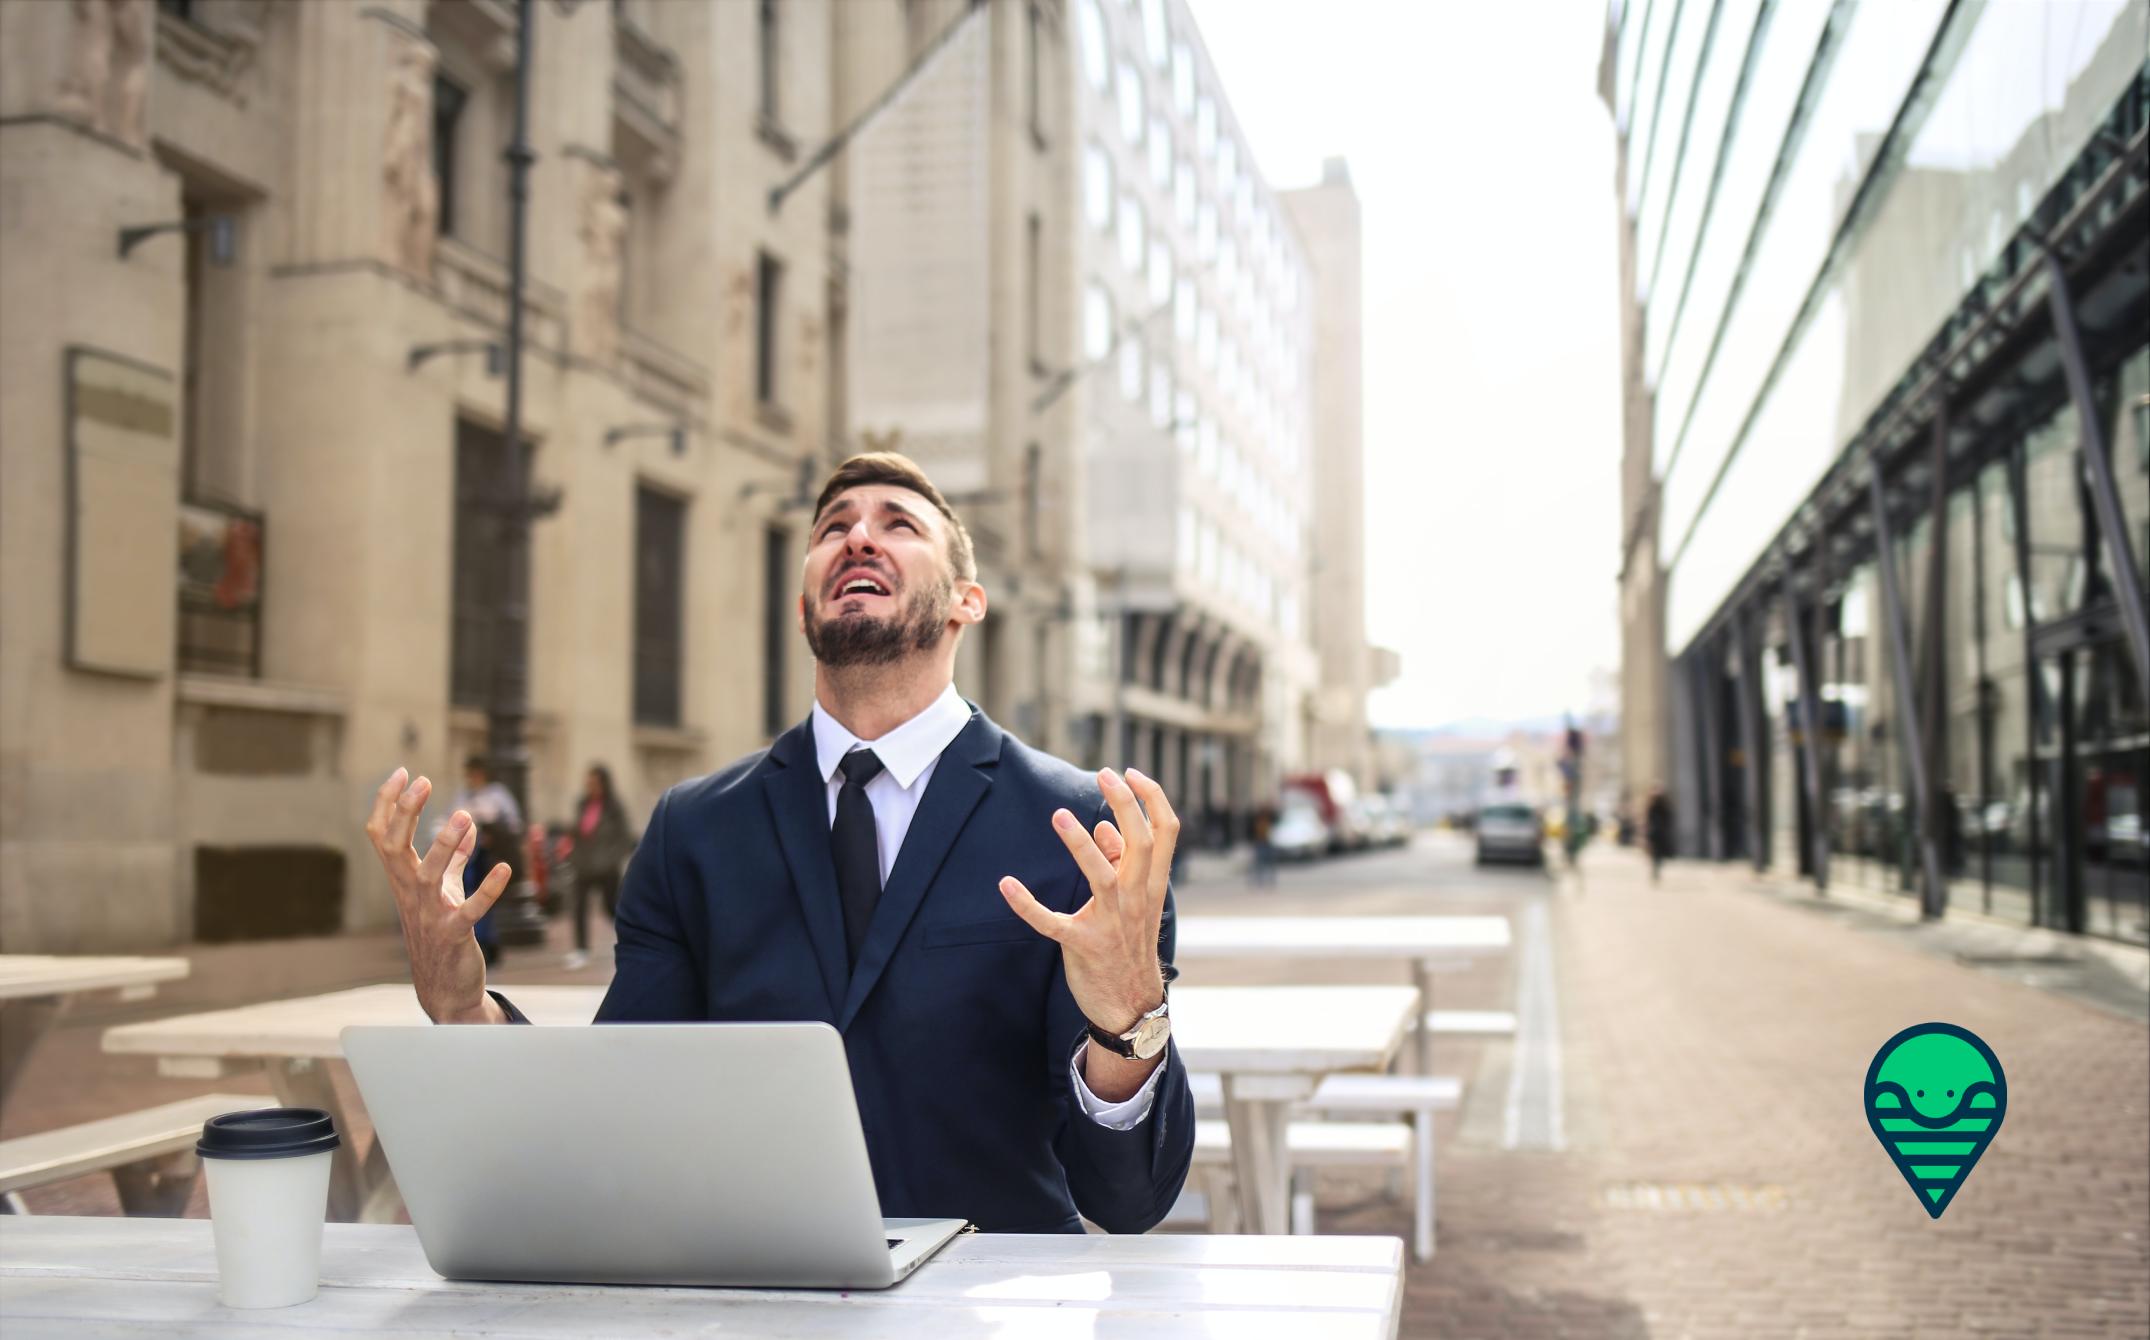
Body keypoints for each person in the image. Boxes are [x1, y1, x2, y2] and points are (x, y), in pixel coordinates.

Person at [363, 452, 1195, 1234]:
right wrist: (463, 1010)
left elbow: (1127, 1198)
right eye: (833, 527)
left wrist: (1129, 1017)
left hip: (986, 1295)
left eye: (898, 524)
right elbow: (614, 1110)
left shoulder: (1081, 830)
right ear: (803, 610)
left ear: (966, 602)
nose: (858, 536)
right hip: (755, 1290)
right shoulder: (693, 831)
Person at [439, 755, 523, 967]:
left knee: (486, 897)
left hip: (488, 855)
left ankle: (487, 942)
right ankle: (474, 941)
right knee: (467, 896)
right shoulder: (463, 796)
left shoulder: (497, 795)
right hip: (468, 857)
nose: (472, 778)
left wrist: (492, 831)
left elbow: (513, 823)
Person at [563, 765, 634, 971]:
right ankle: (581, 950)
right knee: (578, 907)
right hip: (583, 865)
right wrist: (572, 855)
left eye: (594, 782)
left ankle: (630, 942)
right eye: (589, 782)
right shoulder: (583, 804)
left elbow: (625, 838)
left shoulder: (614, 807)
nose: (590, 786)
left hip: (606, 868)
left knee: (611, 908)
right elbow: (576, 832)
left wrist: (611, 860)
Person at [1645, 787, 1673, 885]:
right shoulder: (1658, 807)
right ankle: (1656, 869)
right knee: (1657, 854)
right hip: (1658, 834)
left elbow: (1648, 821)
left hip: (1656, 834)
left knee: (1656, 854)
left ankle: (1656, 869)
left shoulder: (1654, 807)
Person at [1249, 803, 1278, 887]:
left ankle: (1270, 879)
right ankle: (1260, 880)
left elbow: (1276, 819)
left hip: (1267, 841)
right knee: (1259, 863)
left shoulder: (1269, 818)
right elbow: (1251, 830)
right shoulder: (1256, 819)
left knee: (1270, 862)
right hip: (1259, 842)